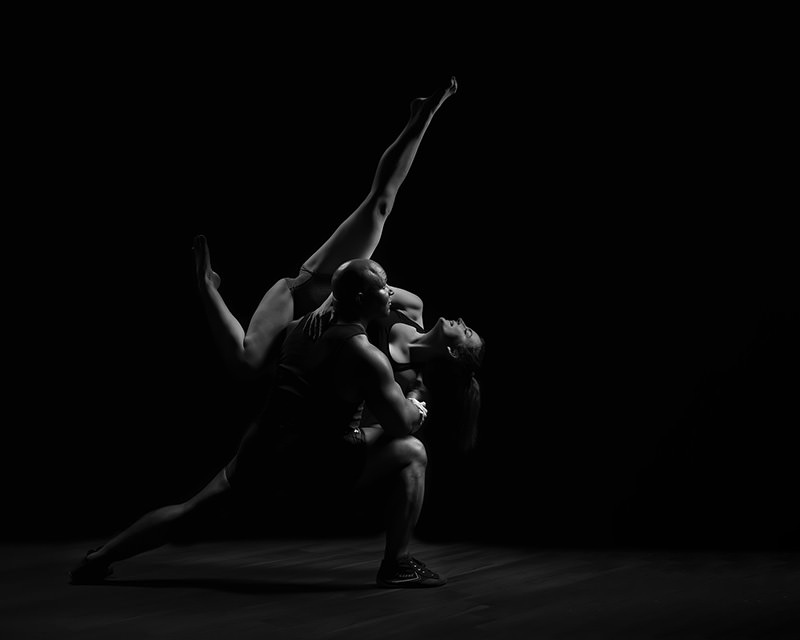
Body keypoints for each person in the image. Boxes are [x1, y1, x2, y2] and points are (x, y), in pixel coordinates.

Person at [69, 258, 447, 588]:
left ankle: (99, 558)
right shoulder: (364, 354)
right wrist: (417, 398)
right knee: (412, 451)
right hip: (316, 462)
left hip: (263, 448)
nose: (390, 293)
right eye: (382, 287)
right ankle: (397, 566)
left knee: (191, 511)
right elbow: (401, 425)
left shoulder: (300, 326)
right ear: (361, 299)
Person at [194, 76, 459, 380]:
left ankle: (206, 285)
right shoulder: (414, 310)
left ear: (454, 353)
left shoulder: (408, 376)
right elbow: (369, 281)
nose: (462, 321)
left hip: (297, 310)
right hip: (325, 281)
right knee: (380, 205)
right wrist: (332, 301)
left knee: (245, 365)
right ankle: (424, 114)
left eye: (466, 332)